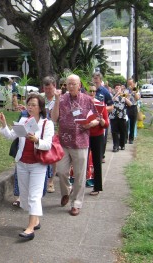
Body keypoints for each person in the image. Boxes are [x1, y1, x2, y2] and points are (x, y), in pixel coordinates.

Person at [0, 94, 54, 241]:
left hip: (38, 164)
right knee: (24, 195)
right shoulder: (23, 120)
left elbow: (48, 144)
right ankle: (35, 220)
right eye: (28, 104)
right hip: (22, 163)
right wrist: (4, 125)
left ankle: (30, 229)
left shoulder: (47, 123)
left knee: (34, 195)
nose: (30, 107)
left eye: (33, 105)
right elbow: (11, 136)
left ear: (40, 107)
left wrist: (36, 140)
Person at [51, 74, 99, 216]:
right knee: (62, 171)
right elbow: (54, 118)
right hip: (64, 141)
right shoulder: (62, 98)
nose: (71, 86)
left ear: (79, 85)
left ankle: (76, 203)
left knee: (79, 174)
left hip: (81, 142)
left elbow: (97, 118)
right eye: (69, 84)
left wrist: (92, 123)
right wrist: (57, 99)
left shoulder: (87, 99)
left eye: (74, 84)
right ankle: (66, 191)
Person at [87, 84, 109, 196]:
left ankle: (97, 186)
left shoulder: (101, 104)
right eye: (90, 91)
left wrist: (100, 121)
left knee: (97, 161)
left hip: (97, 135)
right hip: (84, 135)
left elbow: (106, 124)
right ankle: (78, 184)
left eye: (93, 91)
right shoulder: (83, 104)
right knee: (81, 161)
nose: (91, 93)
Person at [92, 72, 113, 163]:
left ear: (100, 80)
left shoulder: (105, 91)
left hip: (101, 120)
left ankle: (101, 155)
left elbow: (111, 106)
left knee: (102, 139)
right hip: (90, 120)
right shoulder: (88, 90)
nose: (95, 80)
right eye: (94, 78)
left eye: (97, 79)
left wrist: (102, 109)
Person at [42, 76, 57, 193]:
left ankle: (51, 181)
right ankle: (43, 178)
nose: (48, 91)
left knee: (53, 156)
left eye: (50, 89)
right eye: (46, 89)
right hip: (41, 130)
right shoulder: (40, 98)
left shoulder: (58, 99)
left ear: (54, 87)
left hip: (55, 130)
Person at [110, 83, 132, 152]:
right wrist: (116, 94)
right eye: (116, 88)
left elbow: (130, 104)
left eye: (119, 88)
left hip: (122, 116)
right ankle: (115, 146)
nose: (118, 89)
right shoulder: (111, 95)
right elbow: (110, 102)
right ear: (114, 89)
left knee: (123, 131)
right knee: (114, 132)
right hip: (113, 116)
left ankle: (122, 144)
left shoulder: (124, 95)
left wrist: (124, 97)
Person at [125, 78, 140, 144]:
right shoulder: (126, 90)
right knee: (126, 123)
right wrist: (127, 95)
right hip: (127, 107)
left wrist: (134, 92)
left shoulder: (136, 90)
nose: (130, 85)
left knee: (132, 124)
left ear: (133, 83)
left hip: (133, 107)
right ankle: (125, 138)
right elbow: (123, 97)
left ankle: (131, 138)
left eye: (131, 83)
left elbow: (137, 98)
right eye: (128, 83)